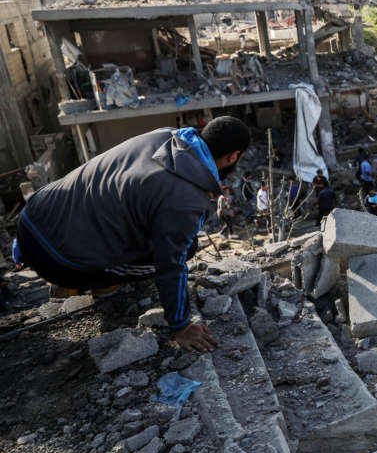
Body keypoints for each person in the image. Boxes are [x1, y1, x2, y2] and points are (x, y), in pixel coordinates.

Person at [13, 116, 251, 351]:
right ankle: (93, 282)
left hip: (32, 218)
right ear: (233, 156)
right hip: (59, 261)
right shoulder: (187, 198)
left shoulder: (165, 135)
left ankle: (75, 267)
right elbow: (171, 264)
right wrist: (181, 326)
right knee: (187, 248)